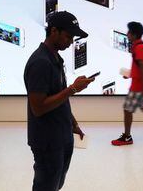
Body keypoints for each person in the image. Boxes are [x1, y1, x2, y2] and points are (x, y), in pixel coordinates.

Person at [24, 11, 95, 191]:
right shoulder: (40, 62)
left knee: (55, 184)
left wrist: (72, 123)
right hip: (47, 141)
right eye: (68, 36)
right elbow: (38, 108)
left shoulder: (55, 58)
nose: (71, 41)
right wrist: (72, 89)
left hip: (61, 135)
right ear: (53, 31)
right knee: (46, 186)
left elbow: (58, 96)